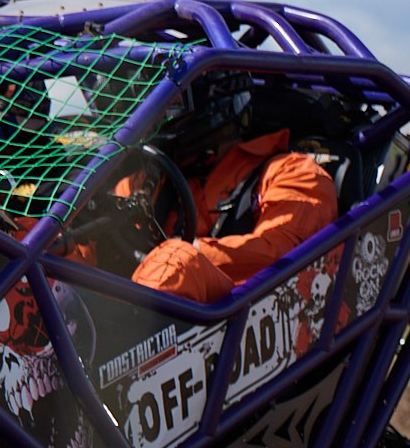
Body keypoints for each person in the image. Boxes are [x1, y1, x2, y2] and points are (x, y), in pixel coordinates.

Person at [130, 80, 337, 302]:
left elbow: (285, 257)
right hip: (161, 312)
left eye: (172, 105)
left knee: (175, 262)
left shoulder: (293, 171)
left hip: (245, 312)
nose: (157, 118)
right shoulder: (156, 177)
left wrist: (193, 250)